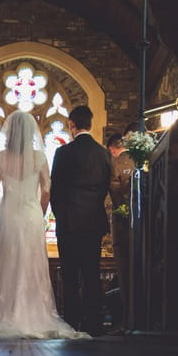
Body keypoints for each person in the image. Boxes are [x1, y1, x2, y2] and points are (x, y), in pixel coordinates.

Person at [0, 110, 89, 340]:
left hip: (9, 212)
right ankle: (34, 312)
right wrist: (37, 213)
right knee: (31, 264)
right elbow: (47, 192)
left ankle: (5, 312)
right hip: (31, 215)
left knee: (8, 262)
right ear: (31, 132)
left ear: (9, 131)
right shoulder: (40, 158)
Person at [50, 104, 111, 336]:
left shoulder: (63, 153)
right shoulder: (103, 153)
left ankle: (72, 322)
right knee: (91, 273)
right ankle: (94, 324)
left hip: (68, 222)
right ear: (91, 124)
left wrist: (61, 215)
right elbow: (105, 187)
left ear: (71, 126)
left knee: (70, 275)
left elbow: (55, 191)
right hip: (93, 221)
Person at [106, 131, 134, 333]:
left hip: (123, 226)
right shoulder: (143, 159)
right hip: (146, 228)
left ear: (113, 149)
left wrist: (123, 210)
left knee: (125, 275)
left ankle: (126, 321)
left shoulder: (116, 163)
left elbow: (115, 191)